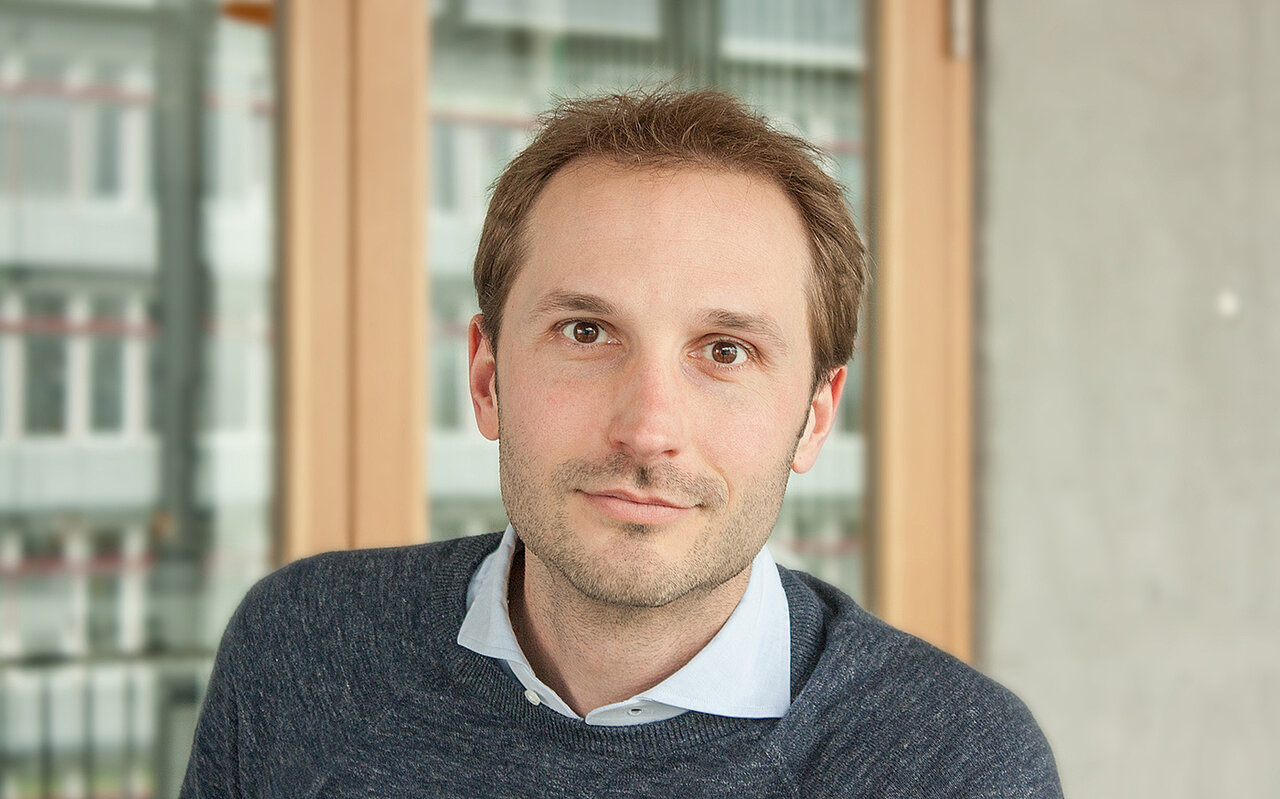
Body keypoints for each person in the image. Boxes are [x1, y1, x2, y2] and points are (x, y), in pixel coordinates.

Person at [181, 88, 1062, 797]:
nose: (647, 429)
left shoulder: (951, 764)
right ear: (487, 377)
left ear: (816, 414)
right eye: (586, 332)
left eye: (726, 351)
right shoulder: (304, 649)